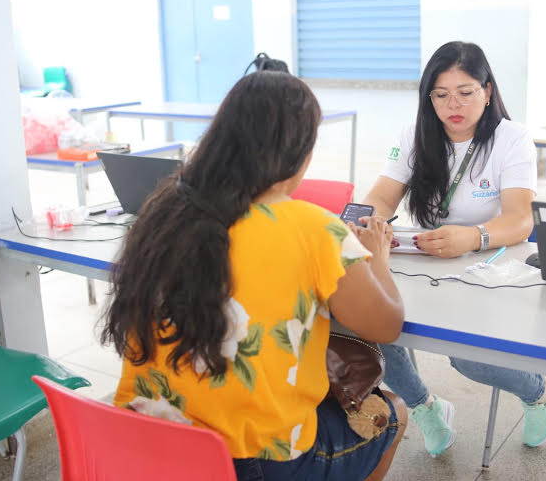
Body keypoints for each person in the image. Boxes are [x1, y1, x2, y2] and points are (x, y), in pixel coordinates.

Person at [101, 71, 407, 481]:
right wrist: (378, 257)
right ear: (301, 156)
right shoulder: (314, 228)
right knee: (392, 413)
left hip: (149, 441)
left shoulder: (166, 207)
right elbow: (386, 325)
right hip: (253, 461)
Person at [361, 41, 546, 457]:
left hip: (492, 267)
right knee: (376, 326)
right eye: (441, 94)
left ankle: (538, 391)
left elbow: (521, 218)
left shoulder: (512, 139)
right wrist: (375, 221)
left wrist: (472, 237)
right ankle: (426, 408)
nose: (454, 104)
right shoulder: (415, 136)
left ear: (487, 91)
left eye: (466, 92)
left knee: (467, 359)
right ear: (428, 98)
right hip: (428, 262)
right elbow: (381, 195)